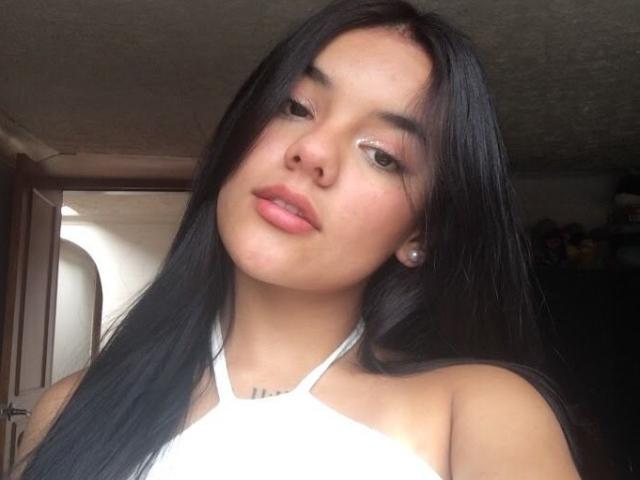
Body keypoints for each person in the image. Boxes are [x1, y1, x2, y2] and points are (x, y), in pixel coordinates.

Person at [12, 0, 581, 478]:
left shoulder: (480, 412)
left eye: (383, 155)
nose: (311, 151)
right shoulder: (70, 410)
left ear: (419, 234)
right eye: (296, 107)